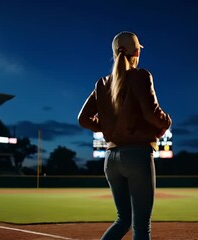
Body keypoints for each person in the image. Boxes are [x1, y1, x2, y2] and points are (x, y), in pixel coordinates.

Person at [78, 31, 172, 240]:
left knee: (123, 220)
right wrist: (167, 122)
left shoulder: (102, 83)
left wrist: (108, 128)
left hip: (111, 160)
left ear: (114, 54)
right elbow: (152, 114)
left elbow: (83, 119)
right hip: (137, 157)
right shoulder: (141, 76)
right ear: (137, 52)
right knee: (141, 226)